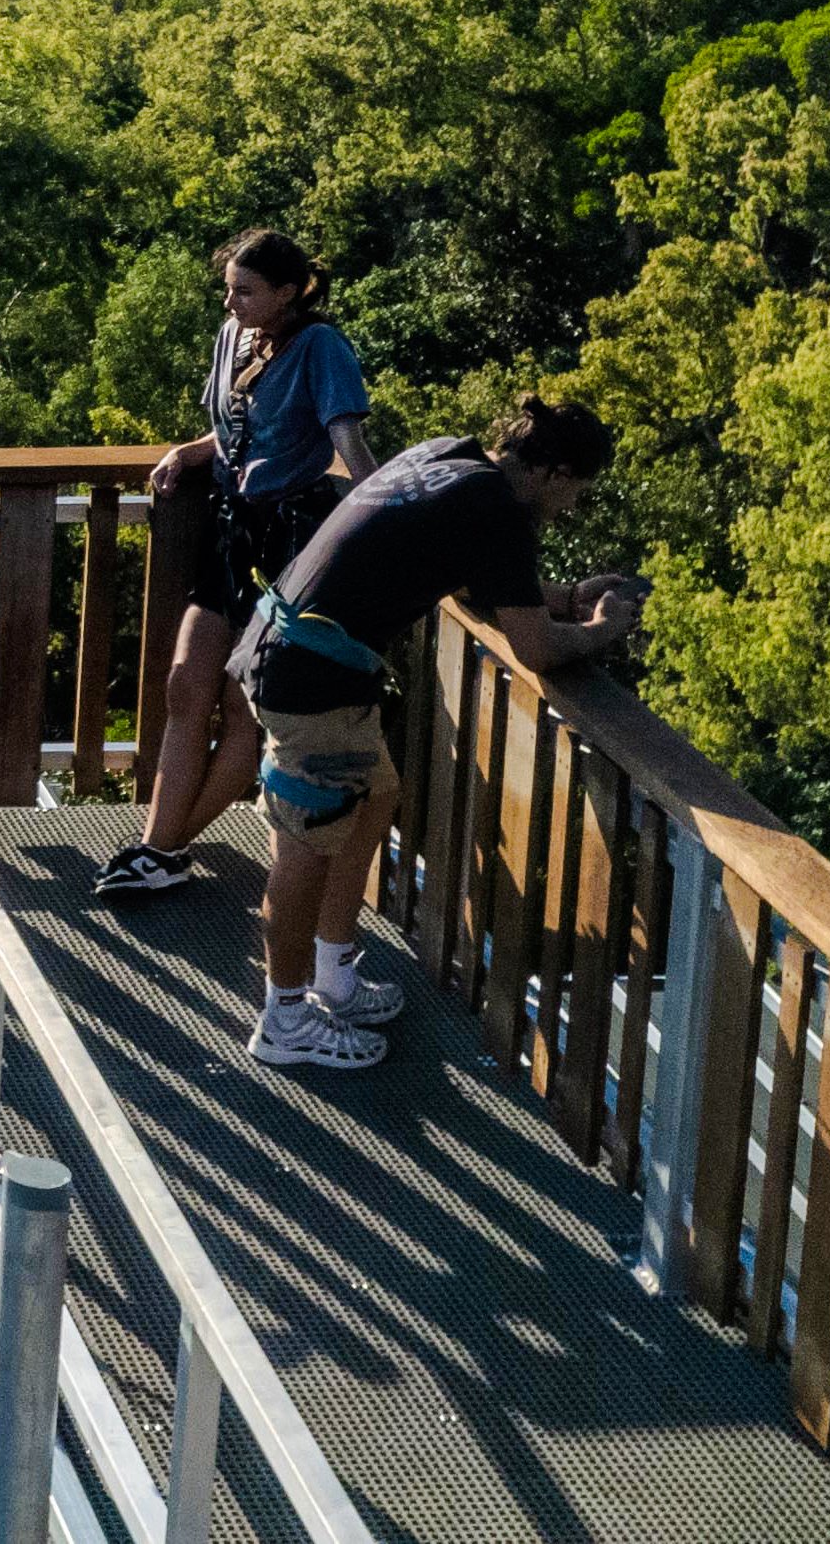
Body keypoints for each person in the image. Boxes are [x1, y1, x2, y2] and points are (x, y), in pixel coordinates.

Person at [238, 397, 642, 1074]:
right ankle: (283, 1018)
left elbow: (479, 581)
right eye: (577, 492)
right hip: (312, 678)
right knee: (306, 844)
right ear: (555, 473)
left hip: (297, 647)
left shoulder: (449, 458)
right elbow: (537, 649)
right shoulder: (499, 513)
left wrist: (569, 596)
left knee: (377, 794)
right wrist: (602, 631)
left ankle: (333, 972)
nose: (572, 508)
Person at [93, 231, 376, 905]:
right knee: (186, 685)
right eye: (229, 288)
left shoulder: (320, 347)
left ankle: (162, 849)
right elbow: (239, 429)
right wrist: (190, 453)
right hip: (229, 529)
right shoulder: (233, 337)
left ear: (288, 292)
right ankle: (162, 848)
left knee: (241, 706)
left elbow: (346, 442)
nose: (232, 300)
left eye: (246, 290)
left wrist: (383, 515)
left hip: (290, 539)